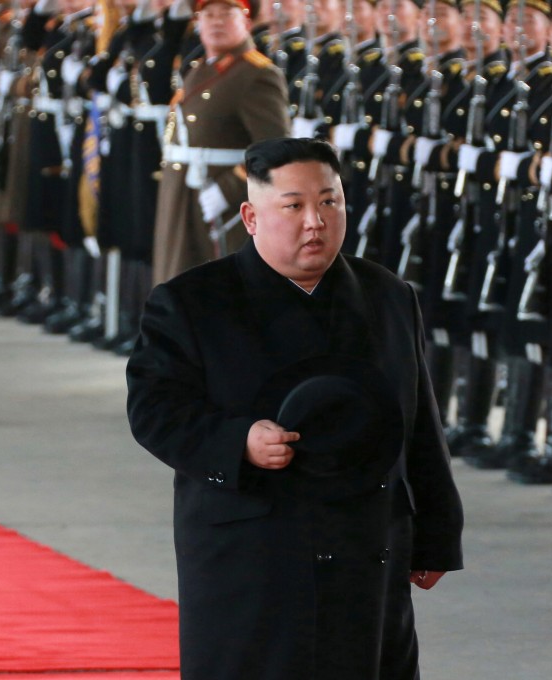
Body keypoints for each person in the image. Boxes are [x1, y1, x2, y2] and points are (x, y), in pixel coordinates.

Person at [127, 138, 463, 679]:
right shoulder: (193, 301)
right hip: (253, 546)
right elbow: (154, 410)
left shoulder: (387, 295)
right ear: (250, 216)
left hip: (365, 538)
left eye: (330, 202)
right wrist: (238, 441)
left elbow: (418, 420)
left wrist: (438, 530)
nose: (315, 221)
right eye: (294, 206)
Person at [151, 0, 290, 284]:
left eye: (227, 14)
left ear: (247, 22)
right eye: (208, 15)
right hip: (184, 199)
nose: (216, 22)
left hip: (221, 207)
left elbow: (276, 150)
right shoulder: (201, 67)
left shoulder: (257, 74)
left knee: (214, 294)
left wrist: (229, 188)